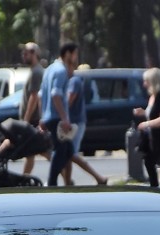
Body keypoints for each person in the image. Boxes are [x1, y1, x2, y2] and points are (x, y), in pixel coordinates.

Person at [61, 63, 107, 186]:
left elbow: (69, 100)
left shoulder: (74, 81)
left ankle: (99, 178)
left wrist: (59, 113)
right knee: (68, 154)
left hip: (75, 122)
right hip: (72, 122)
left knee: (71, 154)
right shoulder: (70, 81)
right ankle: (68, 182)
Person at [39, 42, 78, 187]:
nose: (75, 58)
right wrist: (64, 118)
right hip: (57, 118)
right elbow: (55, 94)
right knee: (61, 151)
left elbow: (41, 95)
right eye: (74, 54)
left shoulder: (49, 69)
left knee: (68, 151)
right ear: (68, 54)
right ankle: (52, 182)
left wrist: (42, 115)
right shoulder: (61, 71)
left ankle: (66, 183)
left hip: (49, 116)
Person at [20, 43, 44, 176]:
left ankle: (65, 175)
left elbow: (34, 97)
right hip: (32, 120)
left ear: (35, 54)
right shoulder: (34, 71)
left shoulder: (36, 72)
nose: (24, 55)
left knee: (43, 150)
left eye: (27, 52)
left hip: (33, 120)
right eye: (23, 52)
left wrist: (26, 120)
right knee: (30, 152)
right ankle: (24, 179)